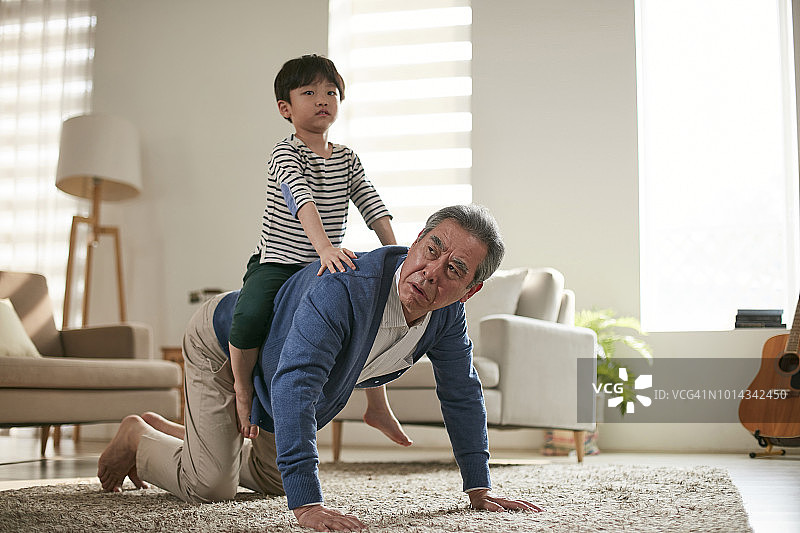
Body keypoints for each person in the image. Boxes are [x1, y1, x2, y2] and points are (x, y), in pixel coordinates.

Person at [98, 205, 544, 532]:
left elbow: (462, 392)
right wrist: (308, 505)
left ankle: (186, 438)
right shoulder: (346, 287)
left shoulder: (446, 317)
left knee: (276, 480)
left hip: (279, 373)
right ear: (416, 241)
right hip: (228, 345)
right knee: (211, 487)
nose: (431, 272)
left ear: (469, 291)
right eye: (431, 249)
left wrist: (479, 487)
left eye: (454, 270)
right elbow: (297, 383)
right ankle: (138, 437)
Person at [229, 54, 409, 449]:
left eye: (330, 91)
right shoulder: (285, 153)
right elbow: (301, 199)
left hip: (322, 263)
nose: (322, 98)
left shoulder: (347, 158)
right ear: (286, 108)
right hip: (279, 261)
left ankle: (376, 403)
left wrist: (398, 254)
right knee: (249, 314)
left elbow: (372, 205)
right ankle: (242, 388)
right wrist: (326, 247)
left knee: (364, 315)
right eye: (308, 92)